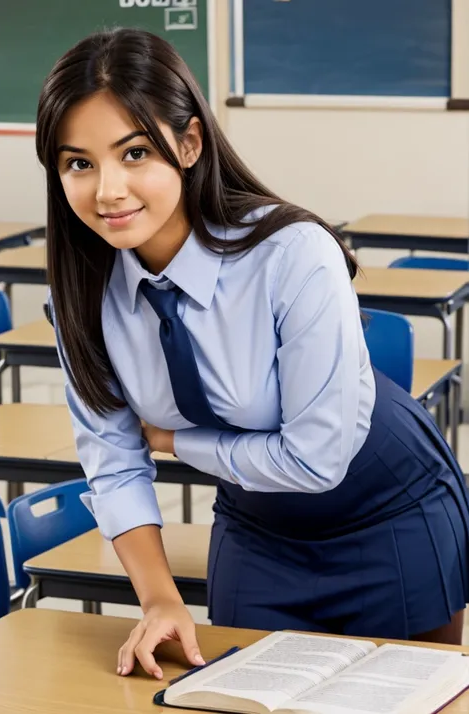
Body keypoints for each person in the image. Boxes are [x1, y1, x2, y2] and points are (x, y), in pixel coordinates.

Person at [36, 28, 469, 680]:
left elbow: (318, 458)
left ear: (189, 143)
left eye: (134, 153)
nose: (107, 191)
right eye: (79, 163)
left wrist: (179, 444)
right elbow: (115, 461)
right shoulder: (83, 296)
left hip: (392, 509)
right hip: (259, 525)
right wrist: (158, 600)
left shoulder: (292, 254)